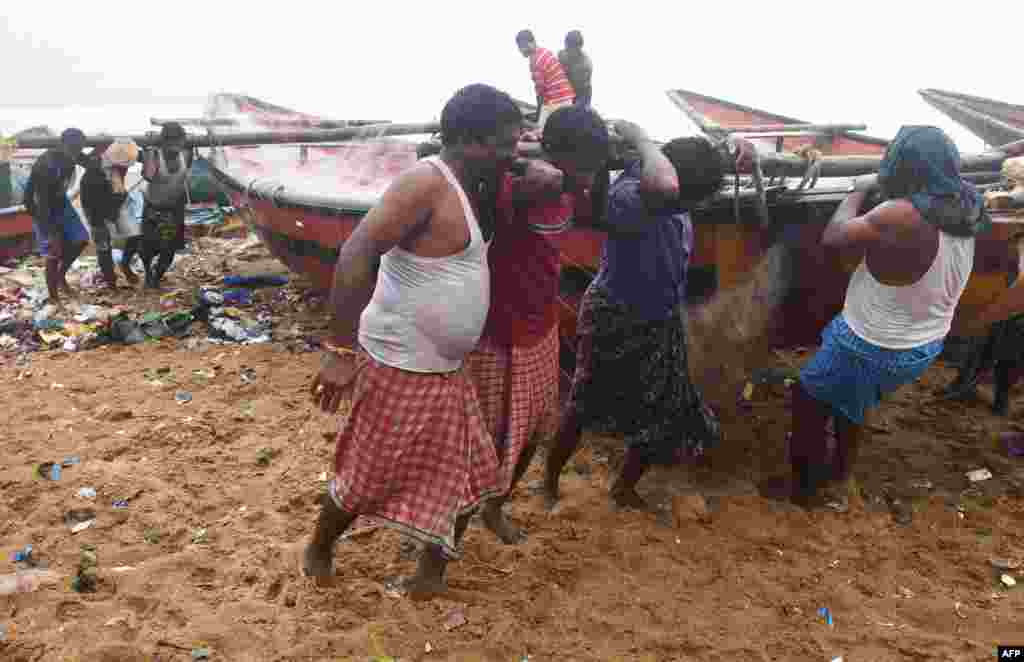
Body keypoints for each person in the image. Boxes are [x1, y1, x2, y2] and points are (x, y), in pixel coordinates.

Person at [304, 83, 523, 597]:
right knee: (367, 475)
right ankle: (319, 547)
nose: (514, 153)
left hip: (448, 368)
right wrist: (338, 351)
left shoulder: (483, 182)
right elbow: (357, 252)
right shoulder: (423, 184)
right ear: (469, 140)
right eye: (506, 143)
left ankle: (431, 573)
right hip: (401, 363)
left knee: (468, 471)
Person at [543, 121, 754, 512]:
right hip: (615, 314)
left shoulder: (661, 181)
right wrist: (641, 138)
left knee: (665, 410)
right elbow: (668, 188)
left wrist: (736, 144)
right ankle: (550, 478)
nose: (695, 209)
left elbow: (690, 166)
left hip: (660, 315)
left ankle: (623, 489)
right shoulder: (632, 196)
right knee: (583, 405)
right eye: (693, 202)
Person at [788, 126, 987, 511]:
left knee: (808, 400)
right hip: (924, 343)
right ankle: (841, 475)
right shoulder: (969, 202)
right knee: (851, 399)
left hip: (871, 343)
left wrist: (855, 191)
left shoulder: (899, 214)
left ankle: (805, 490)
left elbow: (834, 236)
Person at [466, 105, 609, 543]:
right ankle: (450, 533)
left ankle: (496, 507)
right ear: (555, 155)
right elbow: (495, 192)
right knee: (484, 442)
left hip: (540, 326)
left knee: (532, 432)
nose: (588, 176)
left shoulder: (571, 185)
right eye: (583, 167)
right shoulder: (518, 184)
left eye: (595, 168)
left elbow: (594, 202)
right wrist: (536, 165)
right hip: (497, 331)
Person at [24, 128, 89, 306]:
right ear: (62, 145)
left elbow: (90, 162)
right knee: (53, 252)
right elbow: (41, 201)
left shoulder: (73, 154)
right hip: (41, 206)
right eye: (73, 149)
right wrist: (51, 233)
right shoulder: (46, 165)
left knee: (81, 239)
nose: (76, 154)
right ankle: (53, 297)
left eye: (79, 149)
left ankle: (60, 276)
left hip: (60, 201)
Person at [79, 138, 141, 289]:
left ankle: (124, 264)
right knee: (103, 245)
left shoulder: (123, 153)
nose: (124, 169)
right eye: (122, 166)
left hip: (117, 198)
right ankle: (111, 282)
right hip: (95, 208)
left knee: (135, 235)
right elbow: (93, 204)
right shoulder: (93, 173)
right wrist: (102, 220)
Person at [139, 122, 192, 289]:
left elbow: (185, 173)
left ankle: (156, 278)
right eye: (171, 141)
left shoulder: (186, 154)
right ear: (164, 141)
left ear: (183, 141)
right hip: (153, 208)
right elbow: (147, 176)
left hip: (173, 210)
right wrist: (148, 152)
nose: (175, 146)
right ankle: (148, 273)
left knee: (169, 249)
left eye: (178, 141)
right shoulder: (155, 155)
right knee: (147, 248)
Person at [515, 30, 575, 131]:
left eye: (522, 47)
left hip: (556, 101)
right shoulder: (545, 51)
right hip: (567, 97)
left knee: (540, 131)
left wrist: (539, 115)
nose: (520, 50)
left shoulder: (535, 61)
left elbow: (540, 91)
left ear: (531, 43)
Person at [558, 30, 593, 107]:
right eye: (566, 47)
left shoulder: (585, 66)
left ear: (579, 47)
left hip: (581, 94)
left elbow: (576, 89)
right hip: (565, 90)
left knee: (576, 114)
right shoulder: (562, 54)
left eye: (570, 49)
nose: (567, 51)